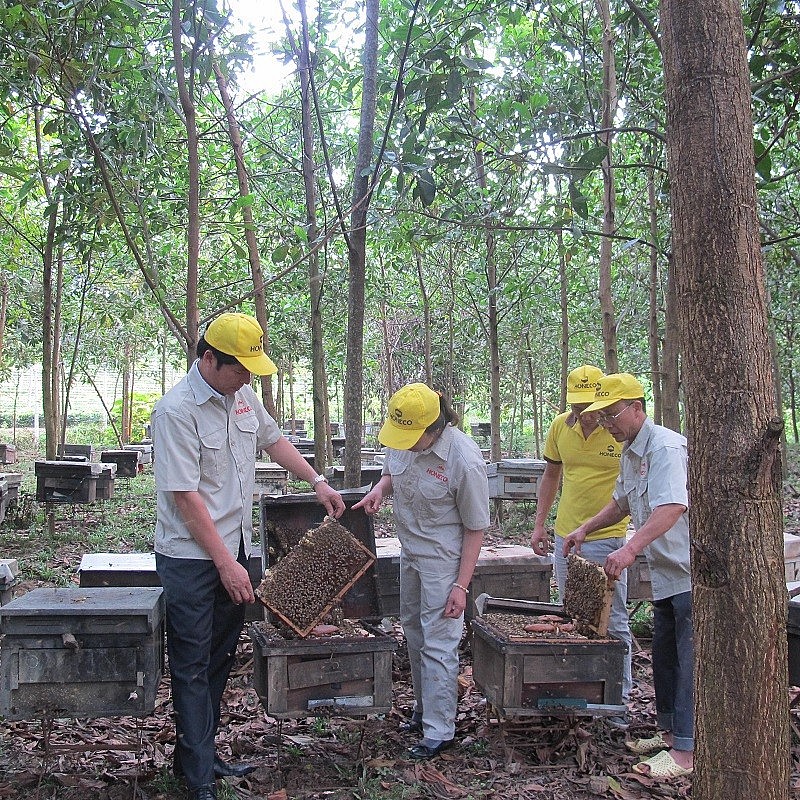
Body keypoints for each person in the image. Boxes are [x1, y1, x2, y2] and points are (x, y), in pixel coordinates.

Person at [152, 312, 346, 800]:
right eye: (240, 370)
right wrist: (224, 562)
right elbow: (185, 496)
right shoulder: (176, 412)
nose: (247, 379)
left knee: (218, 659)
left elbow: (273, 440)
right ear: (209, 359)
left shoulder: (241, 397)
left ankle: (199, 755)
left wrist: (317, 481)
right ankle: (197, 781)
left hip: (234, 549)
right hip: (193, 559)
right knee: (192, 664)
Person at [563, 373, 693, 780]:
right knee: (665, 655)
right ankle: (670, 734)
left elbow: (672, 507)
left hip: (691, 571)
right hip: (665, 573)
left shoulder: (667, 448)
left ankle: (686, 754)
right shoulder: (630, 451)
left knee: (688, 661)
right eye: (602, 417)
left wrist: (631, 547)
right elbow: (621, 502)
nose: (607, 424)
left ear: (638, 408)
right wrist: (585, 527)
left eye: (613, 415)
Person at [353, 383, 490, 760]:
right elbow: (392, 472)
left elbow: (476, 528)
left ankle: (440, 729)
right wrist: (380, 489)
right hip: (409, 553)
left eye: (413, 438)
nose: (407, 444)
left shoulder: (463, 458)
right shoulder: (402, 435)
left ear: (434, 428)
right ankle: (423, 709)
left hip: (445, 563)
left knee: (440, 642)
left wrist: (461, 586)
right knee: (413, 633)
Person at [529, 365, 633, 725]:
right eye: (576, 405)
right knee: (571, 614)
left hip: (608, 536)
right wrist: (540, 525)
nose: (582, 414)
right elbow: (552, 475)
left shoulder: (619, 431)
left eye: (589, 407)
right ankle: (580, 694)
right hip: (565, 535)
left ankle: (618, 702)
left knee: (613, 619)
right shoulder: (560, 426)